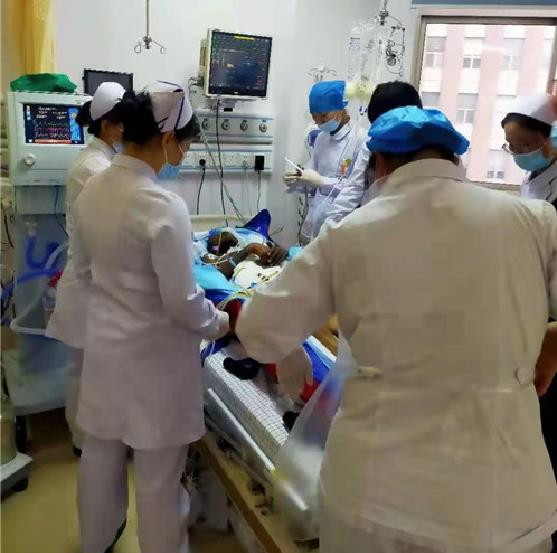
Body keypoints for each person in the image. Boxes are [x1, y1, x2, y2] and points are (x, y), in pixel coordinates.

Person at [237, 106, 557, 553]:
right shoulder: (536, 221)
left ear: (381, 164)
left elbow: (257, 330)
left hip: (379, 495)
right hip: (504, 500)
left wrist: (285, 349)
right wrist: (550, 341)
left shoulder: (350, 234)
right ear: (455, 160)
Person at [73, 82, 229, 553]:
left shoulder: (93, 189)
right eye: (185, 144)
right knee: (159, 481)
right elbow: (183, 302)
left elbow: (83, 270)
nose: (184, 153)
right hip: (156, 367)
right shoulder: (162, 205)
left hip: (105, 354)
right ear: (165, 138)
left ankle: (95, 544)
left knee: (99, 460)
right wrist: (220, 322)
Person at [46, 82, 126, 456]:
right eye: (124, 122)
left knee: (87, 369)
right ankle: (85, 441)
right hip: (90, 286)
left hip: (91, 282)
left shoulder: (98, 162)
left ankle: (87, 438)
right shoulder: (96, 169)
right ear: (108, 125)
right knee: (88, 371)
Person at [325, 80, 423, 224]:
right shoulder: (371, 145)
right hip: (374, 222)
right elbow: (354, 188)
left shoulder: (429, 152)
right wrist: (329, 224)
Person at [284, 80, 366, 243]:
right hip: (316, 214)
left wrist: (322, 181)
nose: (319, 122)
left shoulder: (360, 139)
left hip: (343, 219)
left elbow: (357, 188)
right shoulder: (321, 138)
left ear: (341, 108)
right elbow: (311, 176)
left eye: (324, 116)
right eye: (315, 117)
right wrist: (296, 179)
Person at [502, 94, 557, 206]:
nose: (517, 153)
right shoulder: (531, 174)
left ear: (550, 139)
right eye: (511, 145)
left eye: (525, 144)